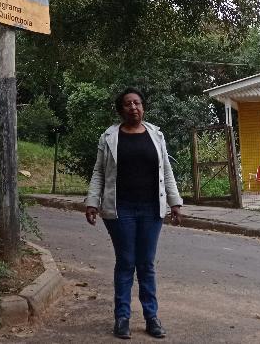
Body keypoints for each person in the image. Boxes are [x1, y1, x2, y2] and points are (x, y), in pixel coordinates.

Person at [85, 87, 184, 339]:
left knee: (146, 264)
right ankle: (122, 318)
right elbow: (98, 172)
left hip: (152, 209)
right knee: (126, 262)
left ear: (143, 107)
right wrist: (92, 201)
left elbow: (166, 171)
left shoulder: (156, 135)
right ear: (121, 110)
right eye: (128, 104)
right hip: (120, 209)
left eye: (137, 103)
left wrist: (175, 202)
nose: (133, 107)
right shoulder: (109, 137)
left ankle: (151, 317)